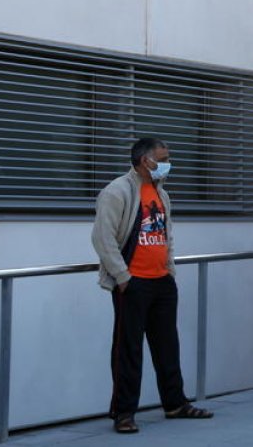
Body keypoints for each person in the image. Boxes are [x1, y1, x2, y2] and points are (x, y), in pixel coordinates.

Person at [91, 137, 214, 435]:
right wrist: (123, 278)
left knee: (167, 345)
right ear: (147, 161)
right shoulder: (117, 191)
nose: (168, 163)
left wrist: (169, 270)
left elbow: (166, 235)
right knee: (128, 349)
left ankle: (175, 403)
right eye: (164, 158)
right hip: (133, 284)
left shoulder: (162, 194)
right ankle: (123, 413)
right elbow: (102, 238)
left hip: (161, 282)